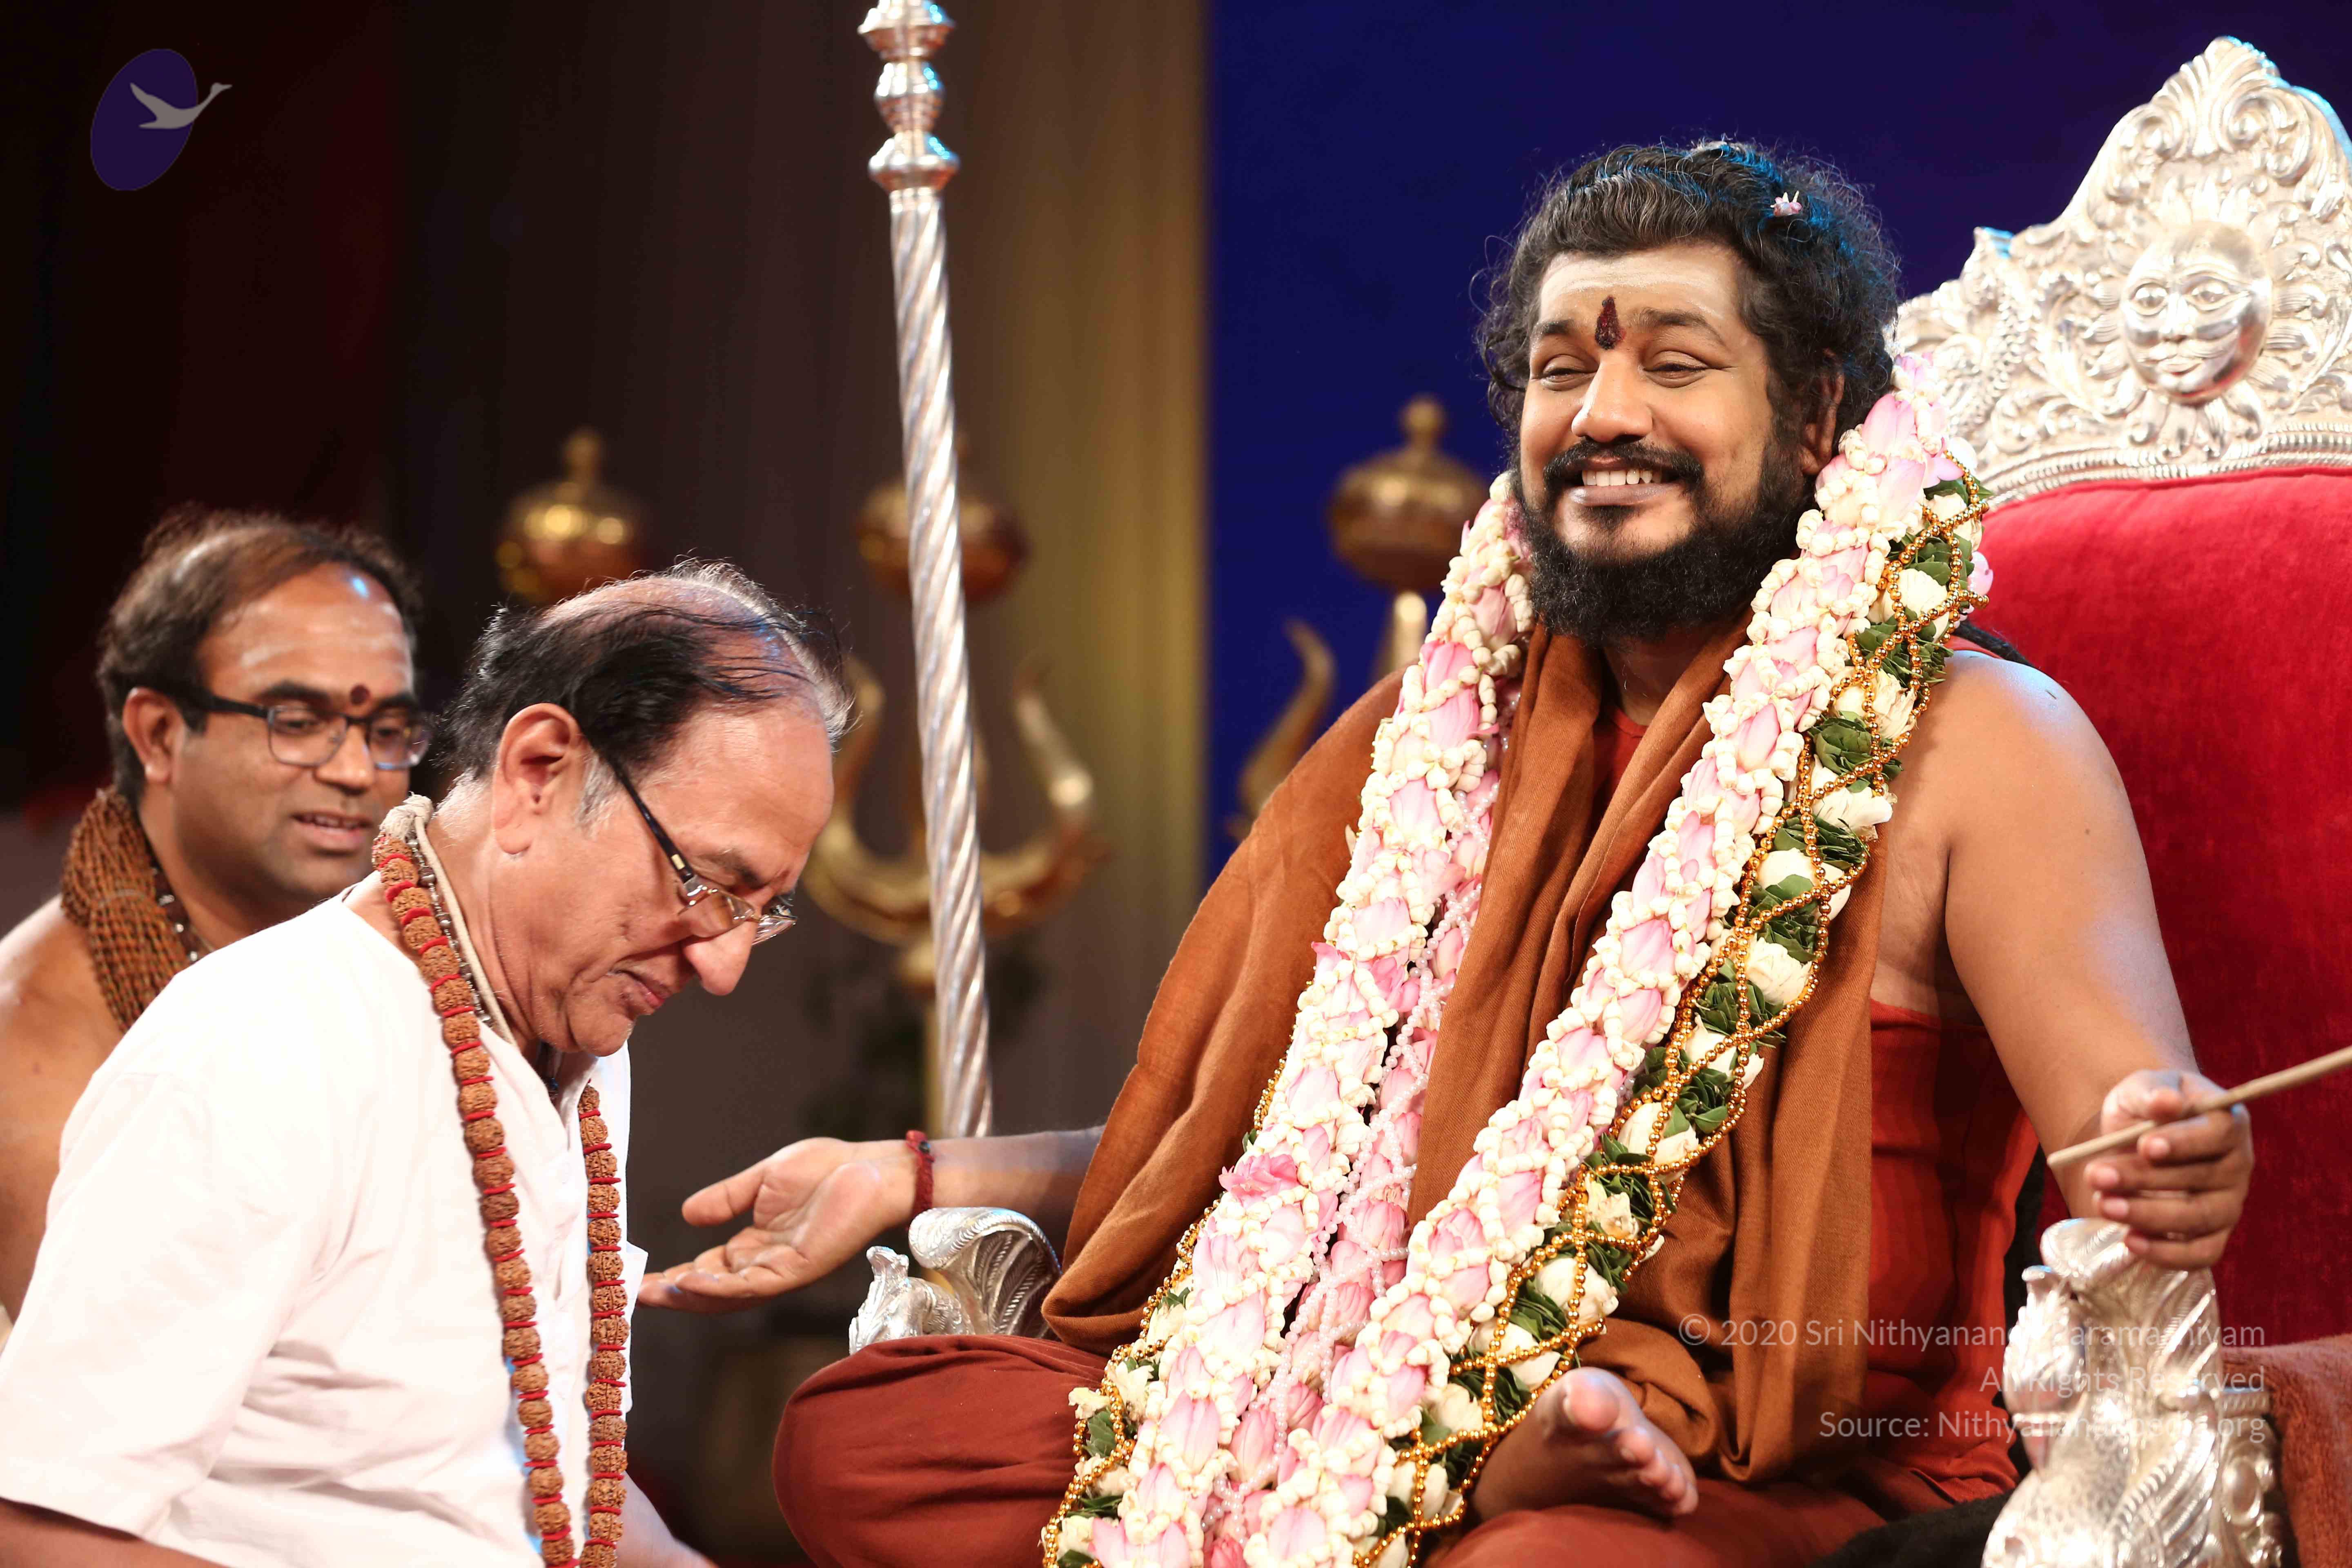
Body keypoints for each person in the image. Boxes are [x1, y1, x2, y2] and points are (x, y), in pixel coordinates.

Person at [650, 143, 2255, 1567]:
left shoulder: (1971, 739)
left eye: (1676, 364)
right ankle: (1462, 1468)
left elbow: (2140, 1134)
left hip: (1782, 1462)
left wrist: (2174, 1161)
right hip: (1354, 1390)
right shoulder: (1433, 736)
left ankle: (1484, 1475)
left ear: (1818, 414)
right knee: (868, 1434)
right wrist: (911, 1175)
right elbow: (1244, 1161)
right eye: (1561, 369)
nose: (1603, 415)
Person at [0, 563, 849, 1568]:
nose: (723, 964)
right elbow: (41, 1530)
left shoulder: (572, 1031)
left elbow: (526, 1486)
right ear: (539, 772)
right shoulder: (266, 1045)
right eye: (705, 882)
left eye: (761, 912)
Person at [0, 506, 425, 1326]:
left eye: (388, 729)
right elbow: (117, 1381)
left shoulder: (402, 974)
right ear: (159, 734)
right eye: (297, 722)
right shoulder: (35, 1043)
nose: (356, 770)